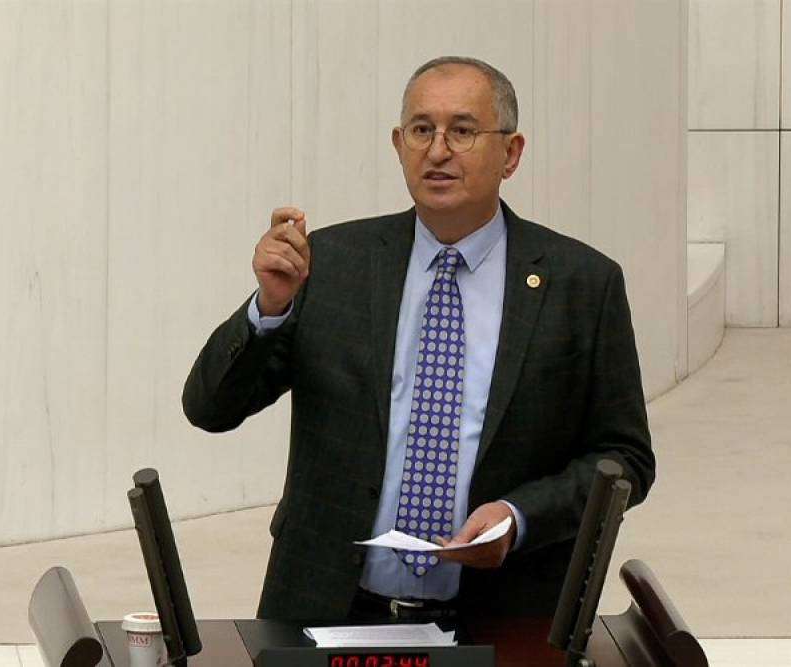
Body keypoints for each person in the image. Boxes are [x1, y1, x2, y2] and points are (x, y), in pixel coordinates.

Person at [182, 56, 655, 622]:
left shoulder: (581, 285)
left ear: (511, 153)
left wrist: (519, 516)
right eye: (421, 129)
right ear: (398, 144)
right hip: (328, 608)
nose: (438, 150)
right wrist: (270, 308)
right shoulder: (331, 265)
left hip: (500, 617)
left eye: (463, 131)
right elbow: (209, 407)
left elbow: (625, 458)